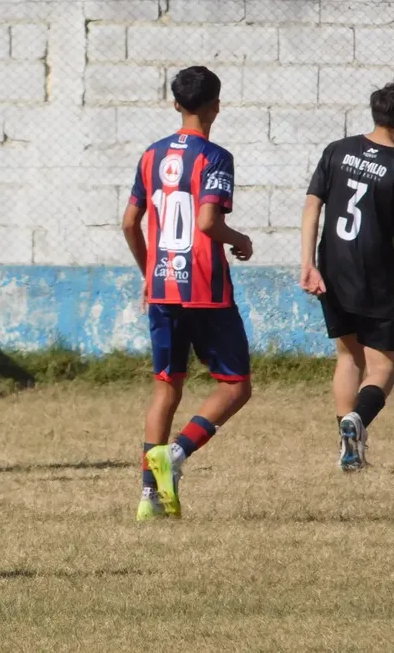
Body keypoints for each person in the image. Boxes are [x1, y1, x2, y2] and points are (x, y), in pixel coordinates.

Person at [121, 66, 253, 521]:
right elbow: (206, 222)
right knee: (235, 386)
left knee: (166, 389)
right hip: (205, 289)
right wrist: (240, 240)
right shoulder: (215, 156)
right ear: (216, 105)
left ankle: (149, 499)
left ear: (176, 104)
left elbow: (128, 222)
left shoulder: (149, 156)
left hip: (162, 287)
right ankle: (174, 455)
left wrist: (149, 273)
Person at [301, 83, 394, 470]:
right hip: (373, 276)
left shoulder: (338, 149)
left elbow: (313, 202)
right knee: (384, 367)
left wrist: (307, 262)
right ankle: (357, 421)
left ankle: (348, 450)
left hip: (330, 268)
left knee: (348, 356)